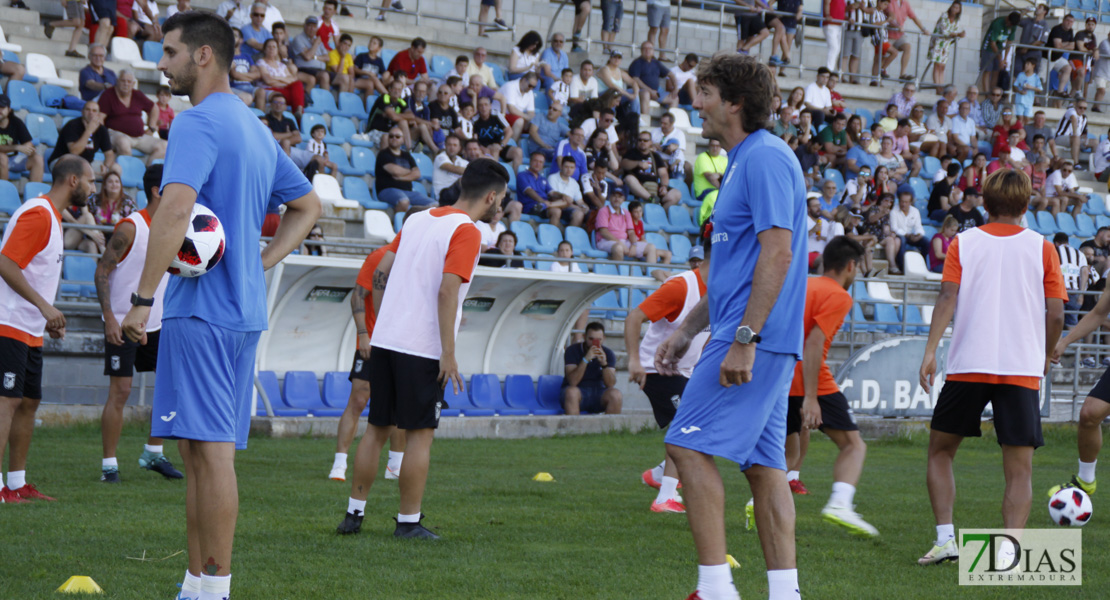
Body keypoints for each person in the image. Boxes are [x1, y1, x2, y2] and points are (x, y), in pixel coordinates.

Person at [120, 14, 321, 599]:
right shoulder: (255, 127)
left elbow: (175, 211)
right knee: (200, 451)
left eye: (171, 51)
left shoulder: (198, 120)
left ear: (204, 55)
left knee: (210, 457)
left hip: (201, 313)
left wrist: (140, 300)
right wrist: (258, 264)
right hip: (240, 313)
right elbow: (309, 207)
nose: (162, 62)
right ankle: (194, 583)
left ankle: (216, 590)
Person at [652, 53, 805, 600]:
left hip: (750, 340)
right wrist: (688, 327)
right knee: (765, 469)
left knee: (686, 446)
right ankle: (785, 593)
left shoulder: (764, 158)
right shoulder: (743, 158)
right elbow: (733, 268)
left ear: (736, 103)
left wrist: (745, 338)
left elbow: (777, 253)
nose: (697, 104)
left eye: (707, 94)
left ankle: (715, 589)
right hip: (747, 336)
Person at [337, 159, 507, 539]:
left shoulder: (418, 217)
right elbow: (448, 290)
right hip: (421, 348)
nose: (501, 207)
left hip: (386, 340)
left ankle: (354, 515)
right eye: (502, 199)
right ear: (492, 196)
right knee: (419, 434)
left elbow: (383, 268)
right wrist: (448, 352)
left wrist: (385, 320)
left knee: (376, 430)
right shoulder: (468, 231)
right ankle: (409, 523)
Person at [918, 169, 1066, 566]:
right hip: (1021, 368)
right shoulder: (1043, 246)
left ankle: (946, 539)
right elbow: (1056, 314)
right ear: (1026, 204)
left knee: (940, 452)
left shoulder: (963, 242)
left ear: (984, 202)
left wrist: (930, 350)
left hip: (969, 364)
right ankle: (1009, 552)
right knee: (1019, 469)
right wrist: (1047, 353)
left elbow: (947, 295)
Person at [0, 156, 91, 504]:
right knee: (6, 401)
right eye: (91, 181)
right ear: (72, 181)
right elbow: (5, 262)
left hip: (29, 327)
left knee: (28, 401)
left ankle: (17, 483)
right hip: (9, 322)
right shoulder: (38, 213)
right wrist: (44, 306)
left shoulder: (51, 216)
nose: (93, 187)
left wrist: (47, 317)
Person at [93, 163, 183, 484]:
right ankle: (109, 465)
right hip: (123, 320)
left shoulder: (173, 229)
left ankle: (153, 453)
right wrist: (110, 320)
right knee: (122, 391)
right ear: (157, 191)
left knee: (170, 388)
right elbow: (102, 271)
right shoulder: (131, 227)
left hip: (158, 323)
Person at [783, 236, 877, 536]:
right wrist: (811, 397)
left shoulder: (803, 285)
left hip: (779, 378)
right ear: (850, 266)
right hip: (811, 380)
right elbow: (814, 343)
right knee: (853, 445)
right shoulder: (838, 295)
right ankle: (840, 503)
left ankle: (756, 501)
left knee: (780, 453)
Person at [626, 240, 710, 514]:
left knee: (698, 428)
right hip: (656, 369)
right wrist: (635, 361)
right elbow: (634, 316)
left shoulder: (722, 290)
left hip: (684, 373)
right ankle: (665, 496)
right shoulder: (681, 286)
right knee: (688, 428)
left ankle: (662, 475)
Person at [563, 321, 622, 414]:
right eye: (591, 339)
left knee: (616, 394)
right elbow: (573, 382)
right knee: (572, 392)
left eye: (599, 339)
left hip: (598, 391)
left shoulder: (608, 353)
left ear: (604, 339)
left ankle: (611, 428)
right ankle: (574, 428)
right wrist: (585, 359)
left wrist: (604, 364)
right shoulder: (572, 350)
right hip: (578, 390)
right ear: (584, 337)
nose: (595, 343)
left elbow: (610, 384)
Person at [49, 100, 119, 178]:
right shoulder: (72, 125)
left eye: (94, 111)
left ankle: (102, 190)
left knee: (116, 168)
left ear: (98, 114)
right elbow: (74, 151)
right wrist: (89, 131)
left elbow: (109, 154)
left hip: (87, 164)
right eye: (88, 109)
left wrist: (106, 166)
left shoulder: (102, 129)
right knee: (79, 171)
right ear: (82, 112)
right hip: (64, 162)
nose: (91, 113)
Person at [375, 127, 432, 211]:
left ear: (403, 139)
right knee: (404, 201)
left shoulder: (407, 155)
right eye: (391, 136)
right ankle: (399, 223)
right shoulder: (383, 154)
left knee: (434, 205)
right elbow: (395, 171)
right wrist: (410, 171)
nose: (394, 138)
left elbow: (417, 174)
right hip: (387, 190)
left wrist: (401, 178)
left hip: (408, 192)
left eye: (397, 136)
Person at [595, 187, 657, 263]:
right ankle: (618, 274)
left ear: (623, 199)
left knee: (651, 247)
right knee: (619, 248)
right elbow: (603, 232)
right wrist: (619, 242)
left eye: (620, 197)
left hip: (624, 242)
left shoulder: (626, 212)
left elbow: (631, 232)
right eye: (614, 196)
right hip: (605, 241)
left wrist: (634, 245)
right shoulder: (603, 211)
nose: (617, 199)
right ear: (610, 197)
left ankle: (651, 273)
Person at [621, 131, 682, 209]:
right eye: (640, 140)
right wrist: (638, 163)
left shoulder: (655, 156)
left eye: (645, 140)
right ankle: (651, 199)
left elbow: (663, 174)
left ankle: (659, 213)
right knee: (629, 178)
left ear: (651, 142)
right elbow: (624, 164)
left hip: (654, 187)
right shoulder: (631, 153)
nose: (642, 142)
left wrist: (664, 186)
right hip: (639, 187)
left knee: (676, 194)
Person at [0, 95, 44, 183]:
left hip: (12, 160)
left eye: (2, 107)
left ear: (9, 110)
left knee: (37, 159)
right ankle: (3, 194)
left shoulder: (16, 122)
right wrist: (16, 147)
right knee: (2, 157)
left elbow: (29, 146)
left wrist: (29, 149)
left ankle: (34, 195)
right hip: (2, 159)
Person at [884, 0, 929, 81]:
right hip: (888, 35)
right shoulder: (891, 2)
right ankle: (882, 70)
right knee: (885, 56)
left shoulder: (905, 3)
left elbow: (914, 17)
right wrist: (897, 26)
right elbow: (891, 16)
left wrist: (923, 29)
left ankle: (903, 74)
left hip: (899, 35)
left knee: (907, 47)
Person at [629, 41, 673, 116]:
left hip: (656, 92)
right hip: (640, 91)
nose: (647, 50)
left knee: (674, 98)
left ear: (653, 51)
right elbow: (636, 80)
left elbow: (671, 74)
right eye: (645, 49)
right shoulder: (637, 63)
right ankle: (645, 119)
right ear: (641, 51)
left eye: (650, 48)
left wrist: (675, 89)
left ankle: (668, 121)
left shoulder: (656, 63)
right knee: (646, 93)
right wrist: (650, 91)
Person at [980, 11, 1020, 94]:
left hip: (999, 47)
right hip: (988, 48)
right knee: (988, 71)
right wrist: (1000, 59)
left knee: (997, 70)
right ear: (1007, 19)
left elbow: (1009, 43)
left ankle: (993, 93)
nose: (1010, 26)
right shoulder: (998, 24)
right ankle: (987, 94)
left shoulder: (1013, 27)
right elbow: (992, 43)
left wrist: (1005, 58)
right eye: (1010, 24)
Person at [289, 16, 331, 93]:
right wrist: (315, 44)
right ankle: (324, 101)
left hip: (320, 70)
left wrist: (314, 57)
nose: (312, 28)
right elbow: (307, 57)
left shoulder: (317, 39)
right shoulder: (298, 39)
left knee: (344, 78)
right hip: (306, 69)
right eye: (309, 26)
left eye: (314, 26)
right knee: (324, 76)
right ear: (304, 26)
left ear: (317, 28)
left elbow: (327, 58)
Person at [927, 1, 964, 86]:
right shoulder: (944, 16)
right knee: (937, 65)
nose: (954, 9)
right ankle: (937, 86)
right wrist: (957, 34)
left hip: (946, 45)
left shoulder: (957, 20)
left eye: (957, 8)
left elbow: (954, 31)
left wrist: (959, 34)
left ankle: (941, 84)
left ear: (959, 10)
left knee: (942, 66)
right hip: (938, 42)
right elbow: (945, 31)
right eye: (953, 7)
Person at [547, 156, 588, 227]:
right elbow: (552, 196)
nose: (569, 170)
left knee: (579, 214)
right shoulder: (552, 178)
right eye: (566, 167)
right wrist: (574, 206)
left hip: (569, 209)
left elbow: (580, 201)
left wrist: (585, 207)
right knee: (558, 210)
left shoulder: (574, 183)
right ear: (561, 166)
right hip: (555, 206)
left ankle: (569, 236)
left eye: (572, 168)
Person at [694, 139, 727, 226]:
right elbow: (710, 177)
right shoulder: (703, 157)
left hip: (717, 191)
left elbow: (729, 177)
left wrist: (718, 175)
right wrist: (723, 189)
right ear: (708, 146)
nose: (715, 148)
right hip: (704, 192)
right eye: (713, 145)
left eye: (718, 146)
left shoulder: (724, 160)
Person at [1055, 101, 1096, 169]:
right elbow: (1074, 119)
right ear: (1075, 106)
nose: (1082, 110)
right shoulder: (1071, 111)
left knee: (1095, 142)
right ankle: (1076, 163)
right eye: (1080, 107)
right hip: (1061, 137)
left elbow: (1084, 133)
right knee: (1076, 138)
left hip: (1075, 139)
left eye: (1085, 108)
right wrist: (1075, 134)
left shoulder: (1084, 117)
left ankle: (1094, 165)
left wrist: (1084, 140)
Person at [1049, 14, 1078, 98]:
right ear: (1063, 20)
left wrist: (1062, 44)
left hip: (1058, 58)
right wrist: (1066, 44)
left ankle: (1060, 91)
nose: (1069, 23)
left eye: (1071, 21)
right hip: (1048, 57)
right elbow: (1057, 46)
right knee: (1041, 78)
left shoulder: (1070, 31)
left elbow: (1072, 47)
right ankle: (1037, 100)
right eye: (1067, 20)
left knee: (1067, 68)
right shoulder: (1057, 29)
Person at [432, 134, 467, 201]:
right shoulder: (440, 157)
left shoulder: (463, 161)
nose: (452, 148)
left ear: (459, 148)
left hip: (457, 193)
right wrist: (473, 171)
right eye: (449, 145)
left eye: (455, 145)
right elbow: (452, 168)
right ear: (445, 145)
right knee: (462, 180)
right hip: (443, 194)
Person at [1013, 58, 1042, 124]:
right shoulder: (1020, 75)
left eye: (1028, 64)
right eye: (1025, 64)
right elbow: (1015, 85)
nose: (1026, 65)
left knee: (1027, 119)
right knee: (1019, 118)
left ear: (1033, 65)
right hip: (1019, 100)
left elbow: (1040, 89)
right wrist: (1019, 91)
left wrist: (1031, 87)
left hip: (1029, 101)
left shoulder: (1036, 77)